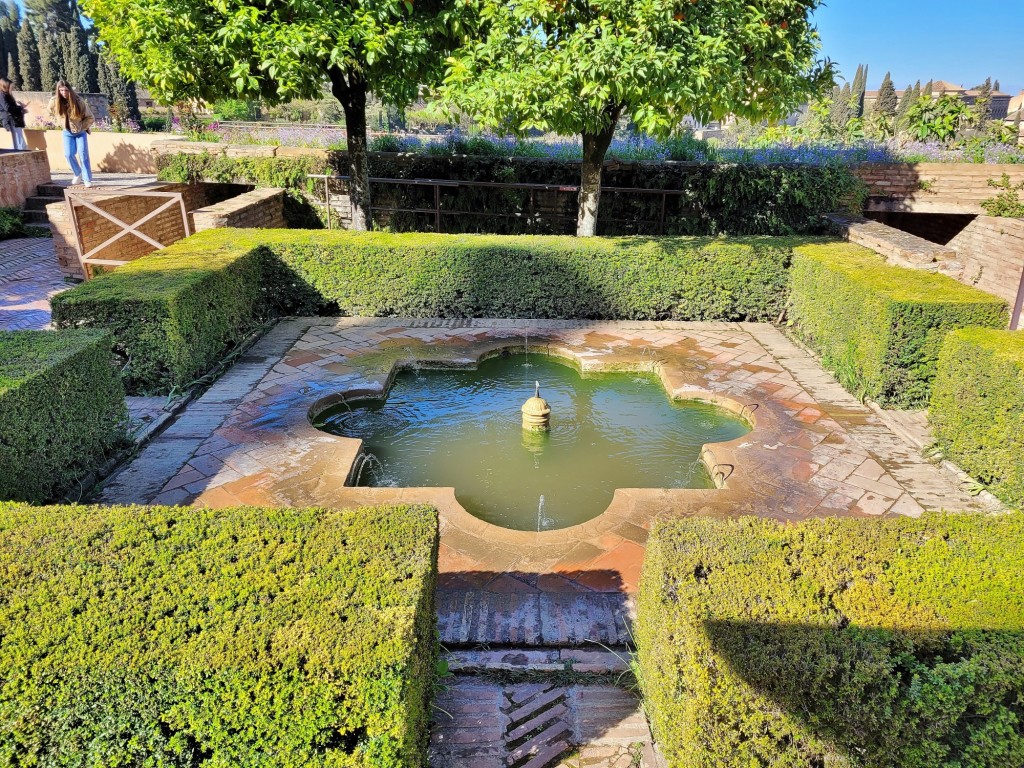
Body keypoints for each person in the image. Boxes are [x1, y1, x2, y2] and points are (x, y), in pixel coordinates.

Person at [50, 80, 94, 186]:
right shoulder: (54, 101)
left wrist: (81, 127)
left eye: (66, 90)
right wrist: (57, 123)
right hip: (67, 133)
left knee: (83, 155)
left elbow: (90, 117)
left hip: (80, 133)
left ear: (69, 90)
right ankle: (77, 173)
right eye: (61, 90)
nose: (64, 93)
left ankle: (87, 179)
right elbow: (50, 113)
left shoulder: (78, 101)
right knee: (68, 154)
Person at [0, 78, 29, 149]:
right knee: (19, 143)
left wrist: (21, 109)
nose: (12, 89)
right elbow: (8, 108)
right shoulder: (2, 95)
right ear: (5, 86)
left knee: (18, 142)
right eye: (11, 87)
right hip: (11, 121)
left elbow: (11, 108)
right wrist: (20, 108)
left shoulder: (6, 95)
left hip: (15, 121)